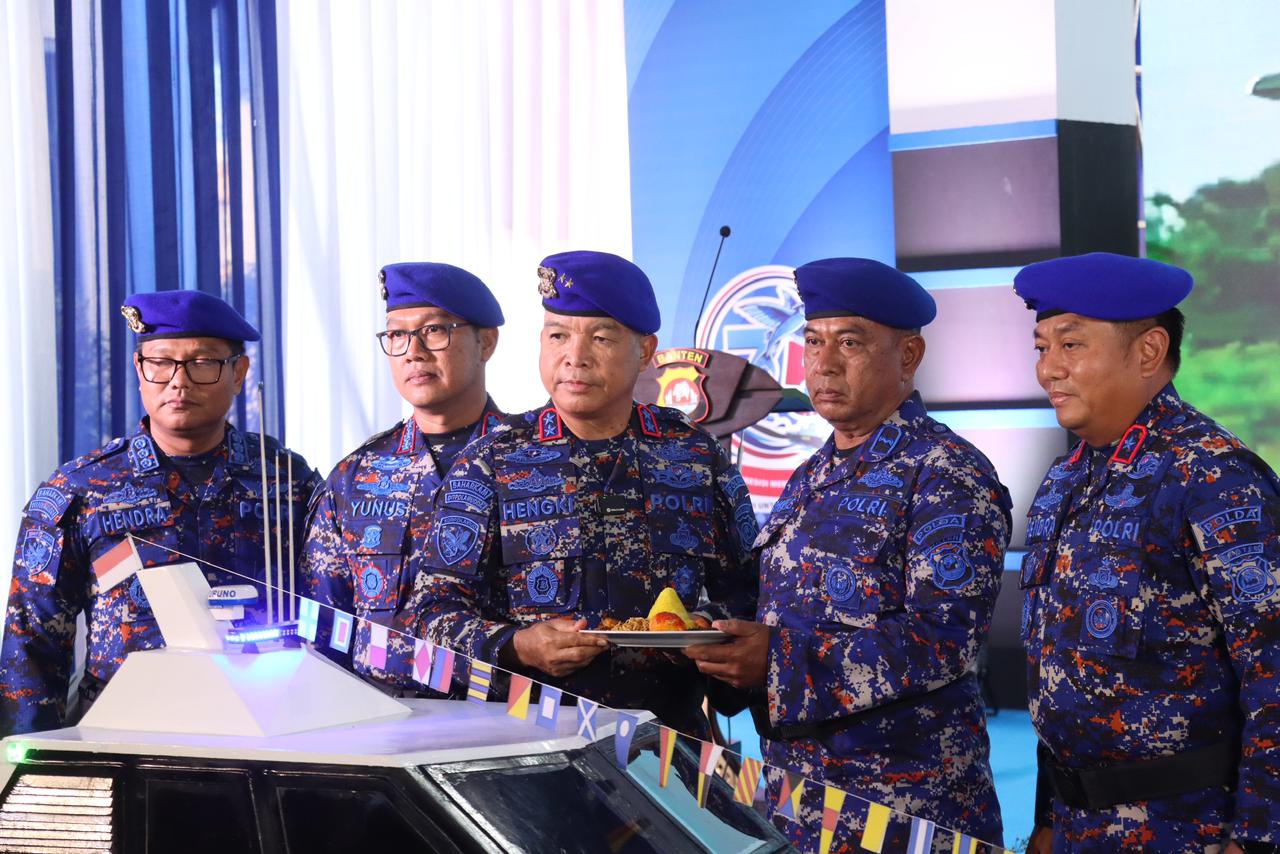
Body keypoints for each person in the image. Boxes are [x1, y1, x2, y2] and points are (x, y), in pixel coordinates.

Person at [685, 258, 1010, 849]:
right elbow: (780, 610)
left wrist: (776, 662)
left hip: (905, 814)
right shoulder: (812, 474)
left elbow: (944, 638)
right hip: (799, 802)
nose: (824, 363)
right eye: (814, 341)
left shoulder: (945, 473)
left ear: (909, 355)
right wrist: (714, 638)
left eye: (850, 343)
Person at [406, 250, 758, 734]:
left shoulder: (695, 455)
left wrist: (702, 629)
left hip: (672, 744)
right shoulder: (493, 460)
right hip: (529, 746)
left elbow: (752, 595)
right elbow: (430, 615)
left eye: (601, 337)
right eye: (557, 336)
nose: (575, 357)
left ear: (645, 351)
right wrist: (517, 646)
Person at [1015, 253, 1278, 854]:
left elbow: (1274, 670)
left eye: (1071, 344)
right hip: (1077, 824)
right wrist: (1049, 816)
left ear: (1149, 352)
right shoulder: (1065, 479)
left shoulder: (1212, 477)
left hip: (1186, 829)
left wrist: (1259, 838)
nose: (1049, 369)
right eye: (1041, 348)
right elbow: (1059, 669)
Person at [1, 291, 320, 736]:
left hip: (267, 730)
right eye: (161, 363)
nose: (179, 382)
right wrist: (30, 761)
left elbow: (330, 610)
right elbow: (32, 645)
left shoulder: (286, 480)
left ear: (238, 373)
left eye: (202, 363)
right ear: (139, 370)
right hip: (123, 737)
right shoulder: (82, 490)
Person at [299, 263, 504, 690]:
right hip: (380, 714)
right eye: (396, 335)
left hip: (511, 713)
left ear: (486, 342)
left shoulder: (534, 463)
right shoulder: (354, 477)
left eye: (434, 331)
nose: (413, 352)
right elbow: (321, 630)